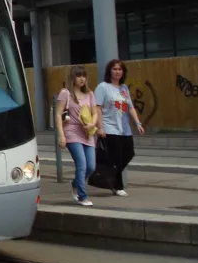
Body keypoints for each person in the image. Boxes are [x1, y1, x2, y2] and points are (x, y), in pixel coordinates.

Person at [96, 59, 145, 197]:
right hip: (109, 127)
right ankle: (118, 186)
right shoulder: (103, 87)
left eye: (120, 69)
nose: (117, 72)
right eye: (114, 69)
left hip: (124, 128)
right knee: (116, 157)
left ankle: (109, 177)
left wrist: (138, 123)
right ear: (109, 71)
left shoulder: (124, 88)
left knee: (129, 152)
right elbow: (97, 108)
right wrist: (100, 128)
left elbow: (130, 107)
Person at [55, 65, 101, 207]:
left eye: (84, 76)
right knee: (81, 164)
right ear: (73, 77)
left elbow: (95, 113)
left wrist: (92, 124)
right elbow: (57, 114)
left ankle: (75, 183)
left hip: (87, 133)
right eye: (78, 76)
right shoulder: (66, 93)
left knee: (91, 166)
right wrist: (61, 135)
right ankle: (82, 196)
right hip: (72, 131)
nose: (82, 79)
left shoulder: (90, 94)